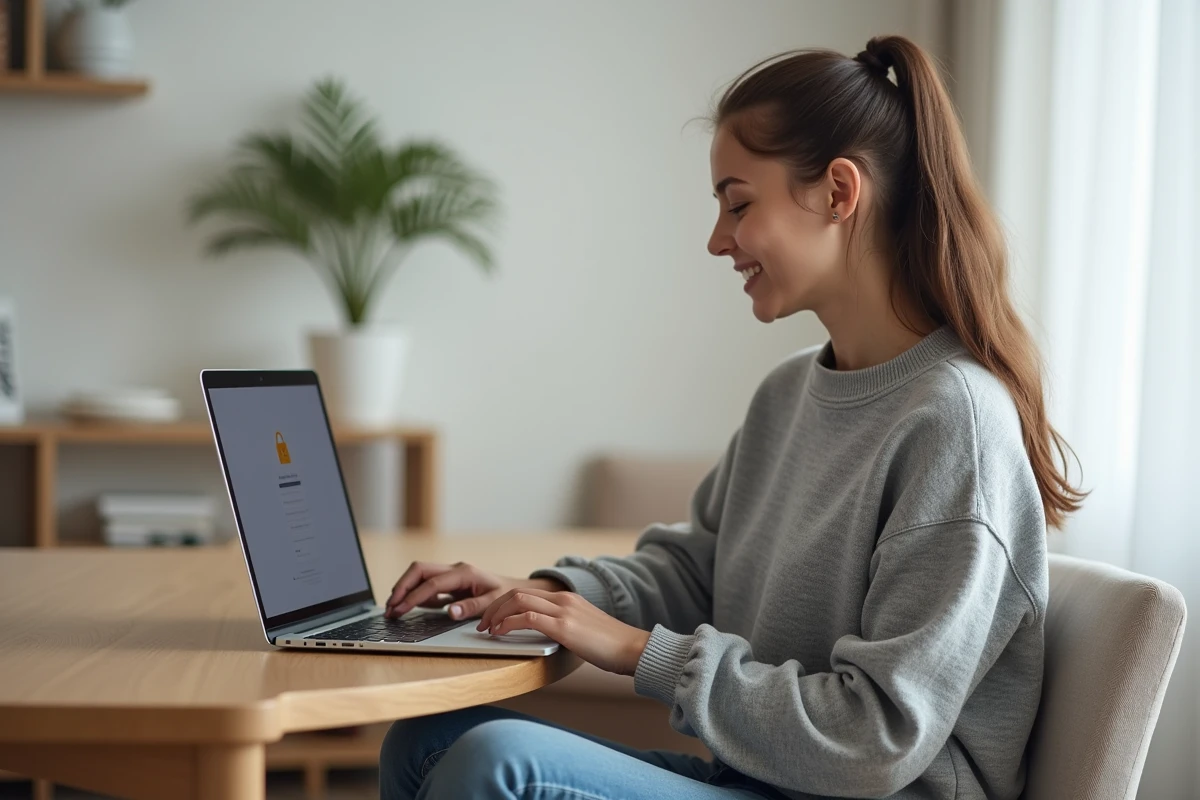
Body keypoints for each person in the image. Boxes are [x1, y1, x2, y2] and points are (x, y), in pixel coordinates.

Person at [378, 33, 1085, 800]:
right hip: (760, 782)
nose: (719, 241)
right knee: (425, 740)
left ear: (839, 193)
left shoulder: (956, 426)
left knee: (497, 766)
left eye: (739, 204)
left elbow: (875, 737)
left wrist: (637, 651)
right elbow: (695, 570)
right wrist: (545, 594)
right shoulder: (789, 393)